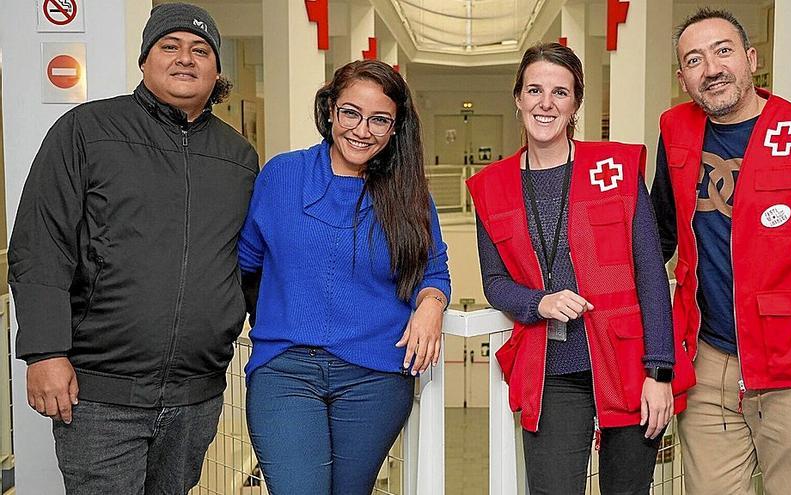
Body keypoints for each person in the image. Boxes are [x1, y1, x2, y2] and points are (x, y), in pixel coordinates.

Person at [9, 3, 259, 494]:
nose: (185, 58)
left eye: (200, 50)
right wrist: (43, 352)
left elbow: (248, 264)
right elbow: (42, 244)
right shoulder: (87, 132)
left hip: (196, 394)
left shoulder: (239, 159)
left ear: (217, 70)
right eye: (170, 46)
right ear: (145, 61)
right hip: (99, 394)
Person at [651, 8, 791, 494]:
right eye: (694, 60)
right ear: (683, 78)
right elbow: (657, 237)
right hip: (708, 363)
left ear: (751, 59)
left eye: (723, 51)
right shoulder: (675, 131)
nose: (711, 68)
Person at [466, 43, 695, 495]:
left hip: (631, 363)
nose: (545, 103)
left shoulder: (616, 167)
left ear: (575, 104)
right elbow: (494, 282)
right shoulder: (491, 188)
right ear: (518, 98)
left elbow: (650, 272)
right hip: (552, 369)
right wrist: (539, 302)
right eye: (534, 90)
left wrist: (660, 372)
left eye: (560, 92)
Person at [239, 59, 451, 494]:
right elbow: (247, 264)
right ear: (330, 110)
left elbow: (434, 270)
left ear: (395, 129)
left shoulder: (409, 194)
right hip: (286, 369)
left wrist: (431, 304)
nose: (362, 129)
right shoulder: (282, 175)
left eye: (379, 120)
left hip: (376, 375)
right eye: (351, 112)